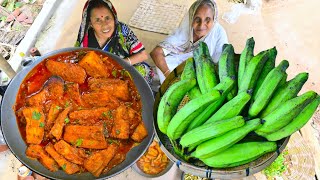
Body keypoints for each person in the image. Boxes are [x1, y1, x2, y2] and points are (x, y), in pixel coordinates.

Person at [75, 0, 154, 84]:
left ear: (114, 17)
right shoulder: (85, 40)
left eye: (107, 18)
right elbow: (79, 65)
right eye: (98, 20)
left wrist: (119, 64)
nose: (105, 25)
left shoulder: (122, 30)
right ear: (90, 23)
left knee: (141, 71)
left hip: (124, 69)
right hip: (98, 78)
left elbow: (143, 55)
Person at [150, 0, 228, 84]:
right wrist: (170, 77)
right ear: (191, 18)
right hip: (182, 63)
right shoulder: (185, 30)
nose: (201, 25)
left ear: (214, 19)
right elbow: (156, 53)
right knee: (165, 62)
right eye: (197, 19)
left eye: (207, 20)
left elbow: (221, 62)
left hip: (205, 70)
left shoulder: (218, 33)